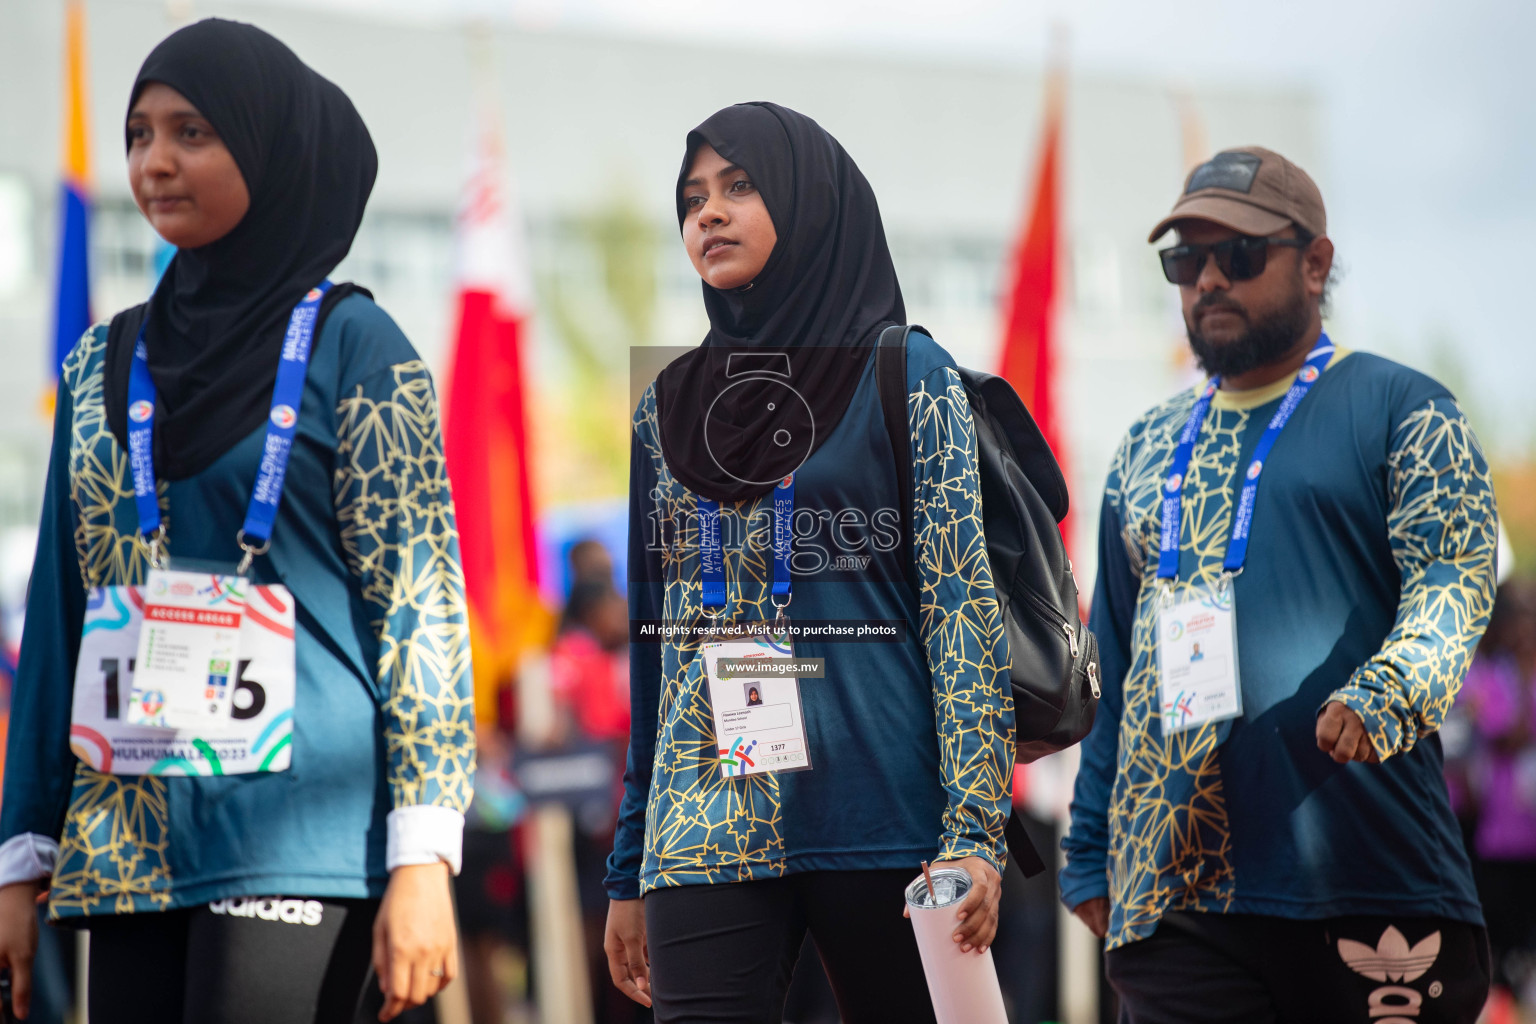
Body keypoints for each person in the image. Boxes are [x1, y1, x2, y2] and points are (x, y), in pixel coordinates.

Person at [0, 20, 473, 1024]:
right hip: (129, 840)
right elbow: (58, 617)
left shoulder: (359, 347)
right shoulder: (97, 365)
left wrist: (425, 852)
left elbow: (421, 616)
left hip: (304, 830)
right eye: (138, 134)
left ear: (267, 147)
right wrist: (19, 852)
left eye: (193, 131)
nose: (155, 161)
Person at [1061, 146, 1497, 1022]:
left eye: (1241, 255)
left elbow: (1454, 583)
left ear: (1318, 261)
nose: (1210, 279)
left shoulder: (1403, 409)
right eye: (1186, 260)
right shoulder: (1147, 445)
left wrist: (1390, 692)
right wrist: (1087, 840)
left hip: (1365, 882)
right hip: (1175, 894)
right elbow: (1110, 656)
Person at [602, 102, 1014, 1024]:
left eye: (739, 187)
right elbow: (654, 652)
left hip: (888, 824)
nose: (707, 213)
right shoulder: (663, 407)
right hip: (705, 815)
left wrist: (976, 832)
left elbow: (961, 613)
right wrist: (630, 862)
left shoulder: (905, 375)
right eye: (692, 196)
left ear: (810, 200)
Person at [1454, 580, 1536, 1008]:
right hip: (1498, 833)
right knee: (1495, 942)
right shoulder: (1491, 677)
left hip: (1530, 837)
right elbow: (1502, 734)